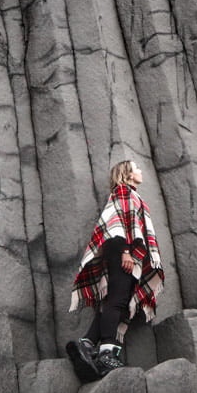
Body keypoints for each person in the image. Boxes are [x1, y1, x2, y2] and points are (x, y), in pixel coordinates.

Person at [66, 159, 165, 381]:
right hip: (122, 250)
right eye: (136, 168)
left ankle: (87, 344)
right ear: (128, 174)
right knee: (117, 302)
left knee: (114, 301)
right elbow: (117, 224)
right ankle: (107, 354)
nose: (140, 171)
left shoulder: (130, 193)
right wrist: (126, 251)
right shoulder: (123, 191)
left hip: (124, 251)